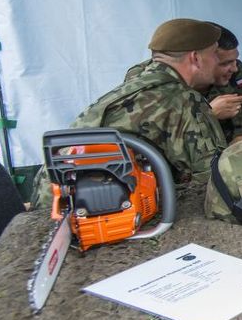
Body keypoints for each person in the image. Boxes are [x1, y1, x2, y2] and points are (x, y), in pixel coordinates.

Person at [32, 18, 227, 206]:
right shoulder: (183, 99)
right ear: (195, 58)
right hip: (98, 207)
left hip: (55, 199)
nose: (217, 61)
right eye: (214, 54)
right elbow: (214, 178)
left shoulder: (133, 87)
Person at [126, 23, 242, 144]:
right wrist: (208, 114)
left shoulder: (236, 72)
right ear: (198, 59)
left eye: (234, 60)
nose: (234, 68)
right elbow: (150, 135)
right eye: (224, 63)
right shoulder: (148, 78)